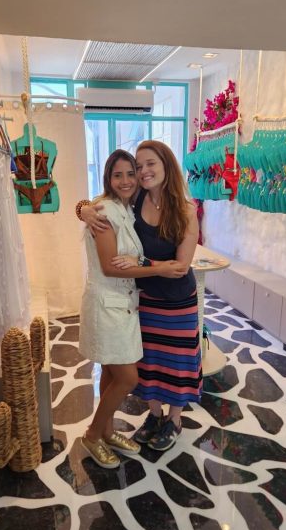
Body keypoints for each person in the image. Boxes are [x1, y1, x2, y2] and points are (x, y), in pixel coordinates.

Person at [79, 140, 202, 452]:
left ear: (166, 166)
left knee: (178, 363)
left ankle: (174, 419)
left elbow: (180, 267)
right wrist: (82, 209)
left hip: (177, 300)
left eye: (150, 164)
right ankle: (155, 414)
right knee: (150, 364)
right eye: (139, 166)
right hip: (143, 299)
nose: (143, 172)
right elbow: (102, 202)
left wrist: (143, 262)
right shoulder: (135, 200)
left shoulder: (186, 210)